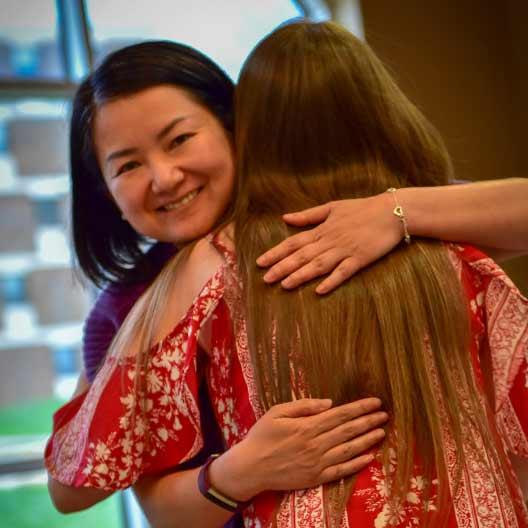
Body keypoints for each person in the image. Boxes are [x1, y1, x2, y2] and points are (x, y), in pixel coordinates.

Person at [46, 28, 528, 526]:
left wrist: (394, 212)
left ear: (237, 129)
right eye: (128, 165)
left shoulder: (381, 220)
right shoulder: (132, 306)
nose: (165, 177)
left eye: (180, 139)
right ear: (103, 191)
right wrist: (241, 472)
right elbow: (95, 487)